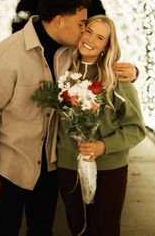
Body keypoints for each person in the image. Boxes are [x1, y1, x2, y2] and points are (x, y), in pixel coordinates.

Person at [0, 0, 138, 236]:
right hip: (11, 168)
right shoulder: (5, 56)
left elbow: (100, 63)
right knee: (5, 229)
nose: (85, 32)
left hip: (49, 168)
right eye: (82, 24)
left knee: (42, 230)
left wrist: (134, 72)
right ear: (60, 21)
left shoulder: (68, 53)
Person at [55, 14, 146, 236]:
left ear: (106, 47)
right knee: (78, 228)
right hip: (69, 165)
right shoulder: (61, 70)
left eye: (100, 38)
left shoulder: (117, 80)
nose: (91, 40)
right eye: (88, 32)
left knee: (106, 229)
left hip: (110, 169)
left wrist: (103, 146)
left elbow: (136, 129)